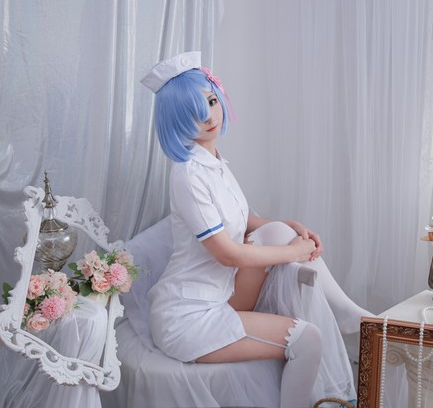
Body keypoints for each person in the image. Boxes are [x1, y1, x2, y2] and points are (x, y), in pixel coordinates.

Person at [141, 51, 373, 408]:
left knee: (276, 231)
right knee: (307, 339)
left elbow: (244, 219)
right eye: (193, 112)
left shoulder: (216, 163)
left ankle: (347, 314)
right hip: (189, 316)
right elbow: (227, 253)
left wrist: (289, 226)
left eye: (211, 102)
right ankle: (349, 318)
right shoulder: (188, 175)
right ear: (175, 120)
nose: (208, 117)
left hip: (223, 294)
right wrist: (293, 252)